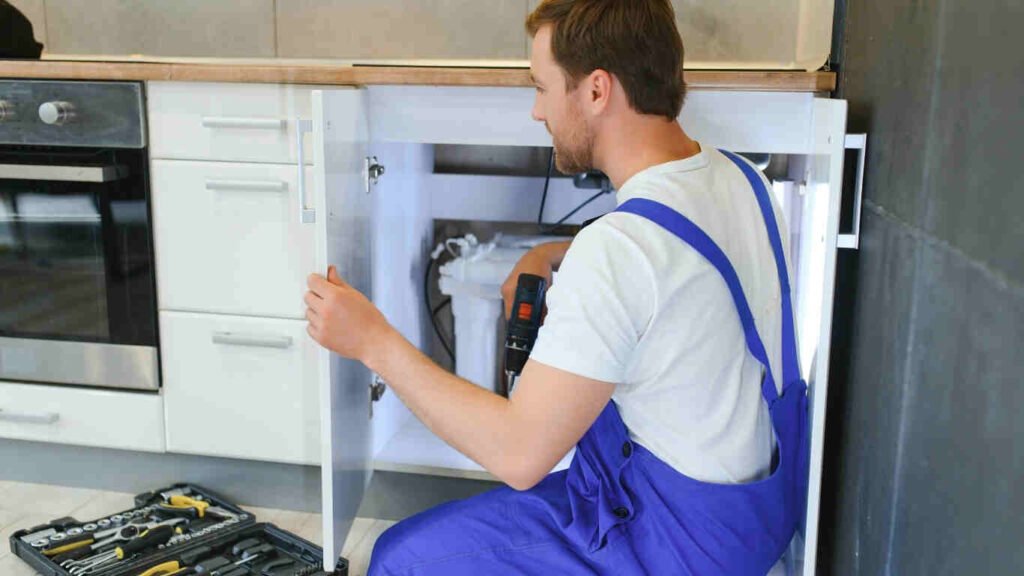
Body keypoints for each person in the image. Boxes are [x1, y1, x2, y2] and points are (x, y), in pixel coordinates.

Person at [304, 1, 808, 573]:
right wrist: (555, 252)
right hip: (749, 520)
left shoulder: (619, 253)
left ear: (597, 91)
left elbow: (519, 455)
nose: (536, 111)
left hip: (669, 543)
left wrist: (373, 341)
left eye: (542, 87)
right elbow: (676, 258)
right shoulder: (741, 178)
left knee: (400, 557)